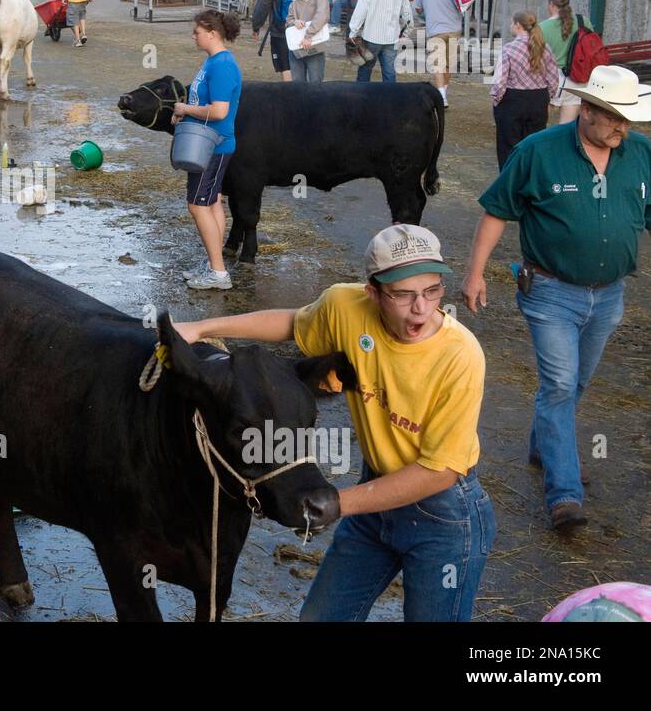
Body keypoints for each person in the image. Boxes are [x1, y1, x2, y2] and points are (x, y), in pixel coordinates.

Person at [176, 223, 496, 621]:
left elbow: (440, 471)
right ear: (373, 293)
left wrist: (338, 504)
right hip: (375, 494)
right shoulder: (346, 307)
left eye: (433, 291)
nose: (422, 308)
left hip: (442, 518)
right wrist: (203, 327)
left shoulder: (460, 356)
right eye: (404, 294)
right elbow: (295, 324)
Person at [463, 66, 651, 532]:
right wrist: (475, 274)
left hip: (609, 294)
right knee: (561, 384)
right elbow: (496, 211)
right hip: (549, 291)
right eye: (613, 118)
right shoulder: (537, 152)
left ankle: (544, 445)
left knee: (577, 383)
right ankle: (564, 494)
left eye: (628, 119)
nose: (621, 128)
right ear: (586, 109)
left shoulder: (641, 153)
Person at [172, 9, 242, 291]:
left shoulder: (222, 65)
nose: (193, 36)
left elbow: (219, 111)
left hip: (211, 144)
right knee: (212, 202)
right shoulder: (214, 61)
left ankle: (218, 272)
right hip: (211, 142)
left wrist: (185, 109)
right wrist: (184, 115)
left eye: (197, 32)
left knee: (197, 204)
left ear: (212, 33)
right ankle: (214, 263)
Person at [490, 11, 560, 168]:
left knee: (508, 146)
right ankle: (529, 181)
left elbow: (500, 80)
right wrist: (548, 98)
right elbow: (554, 78)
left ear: (518, 25)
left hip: (512, 100)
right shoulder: (545, 48)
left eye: (512, 23)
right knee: (533, 145)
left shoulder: (509, 49)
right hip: (538, 100)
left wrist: (496, 99)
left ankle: (509, 181)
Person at [349, 0, 411, 83]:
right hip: (391, 37)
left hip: (371, 35)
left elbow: (362, 9)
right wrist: (405, 33)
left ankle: (362, 101)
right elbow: (407, 12)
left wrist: (353, 30)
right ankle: (389, 103)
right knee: (389, 74)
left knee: (365, 71)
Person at [413, 0, 460, 108]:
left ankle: (441, 97)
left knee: (438, 65)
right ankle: (444, 93)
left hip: (436, 31)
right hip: (454, 29)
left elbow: (418, 10)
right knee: (448, 65)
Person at [250, 0, 299, 80]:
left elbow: (262, 8)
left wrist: (256, 28)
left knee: (285, 66)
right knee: (300, 64)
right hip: (303, 30)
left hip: (281, 31)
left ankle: (291, 95)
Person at [540, 0, 583, 124]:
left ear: (551, 4)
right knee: (567, 128)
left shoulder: (542, 27)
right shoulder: (583, 21)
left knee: (540, 124)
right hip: (577, 79)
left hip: (550, 78)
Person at [285, 0, 330, 83]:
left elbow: (322, 16)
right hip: (297, 48)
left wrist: (308, 35)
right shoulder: (295, 0)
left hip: (314, 46)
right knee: (298, 84)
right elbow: (288, 21)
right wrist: (295, 22)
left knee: (316, 84)